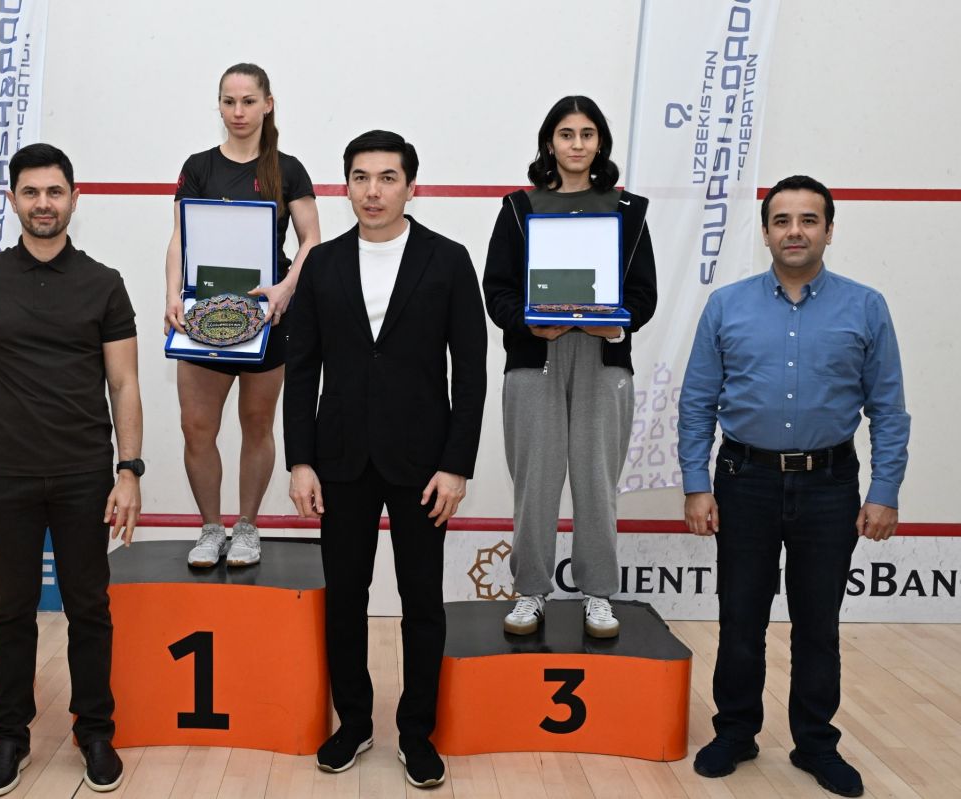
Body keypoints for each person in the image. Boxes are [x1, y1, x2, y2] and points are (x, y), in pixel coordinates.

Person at [679, 175, 910, 798]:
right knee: (740, 618)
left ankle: (815, 744)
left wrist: (884, 490)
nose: (795, 231)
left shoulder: (866, 306)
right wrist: (696, 483)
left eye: (809, 220)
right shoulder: (726, 305)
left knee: (818, 625)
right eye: (782, 220)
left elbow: (888, 409)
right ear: (766, 233)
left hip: (830, 486)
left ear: (829, 230)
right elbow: (697, 402)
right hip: (743, 482)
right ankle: (735, 733)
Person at [0, 143, 143, 796]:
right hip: (5, 473)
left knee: (89, 607)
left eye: (55, 192)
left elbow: (124, 383)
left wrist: (130, 470)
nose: (43, 204)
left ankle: (95, 731)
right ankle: (11, 735)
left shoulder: (104, 283)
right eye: (31, 192)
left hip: (85, 473)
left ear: (74, 199)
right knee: (12, 610)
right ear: (13, 200)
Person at [284, 130, 486, 789]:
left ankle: (417, 731)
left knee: (422, 601)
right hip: (339, 460)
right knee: (345, 598)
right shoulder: (322, 264)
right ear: (346, 186)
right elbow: (301, 369)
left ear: (411, 187)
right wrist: (300, 461)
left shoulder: (448, 260)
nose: (373, 191)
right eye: (361, 178)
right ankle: (354, 722)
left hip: (424, 464)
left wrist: (457, 464)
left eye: (388, 178)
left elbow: (472, 371)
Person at [482, 96, 657, 638]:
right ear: (549, 142)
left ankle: (598, 593)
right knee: (535, 482)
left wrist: (617, 326)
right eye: (566, 134)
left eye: (586, 134)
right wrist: (527, 324)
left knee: (596, 482)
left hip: (604, 358)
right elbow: (498, 290)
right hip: (534, 357)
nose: (576, 144)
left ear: (600, 142)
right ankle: (530, 590)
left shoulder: (628, 210)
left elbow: (643, 294)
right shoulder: (519, 207)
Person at [164, 62, 321, 568]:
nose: (238, 111)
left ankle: (247, 528)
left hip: (267, 319)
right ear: (219, 105)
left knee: (257, 426)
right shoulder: (198, 166)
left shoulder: (288, 169)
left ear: (267, 105)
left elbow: (312, 240)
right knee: (197, 428)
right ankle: (211, 529)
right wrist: (172, 295)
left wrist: (286, 289)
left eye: (248, 101)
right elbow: (180, 237)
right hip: (202, 315)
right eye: (229, 101)